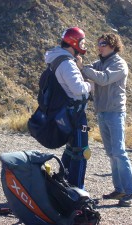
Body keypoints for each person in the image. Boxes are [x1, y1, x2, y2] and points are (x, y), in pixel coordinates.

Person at [78, 33, 132, 207]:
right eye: (98, 44)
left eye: (103, 44)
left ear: (113, 45)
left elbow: (103, 79)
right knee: (111, 153)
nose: (99, 47)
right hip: (103, 112)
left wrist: (83, 67)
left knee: (119, 152)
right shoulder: (101, 63)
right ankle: (119, 189)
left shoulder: (119, 64)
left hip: (115, 112)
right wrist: (83, 67)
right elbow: (90, 71)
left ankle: (131, 192)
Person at [44, 27, 91, 189]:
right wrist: (89, 85)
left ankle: (62, 184)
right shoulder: (67, 63)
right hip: (75, 113)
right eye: (81, 42)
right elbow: (78, 88)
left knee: (71, 149)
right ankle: (76, 189)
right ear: (73, 42)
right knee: (81, 152)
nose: (83, 45)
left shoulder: (56, 58)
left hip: (65, 112)